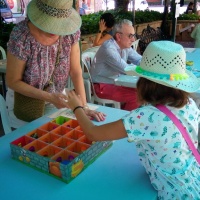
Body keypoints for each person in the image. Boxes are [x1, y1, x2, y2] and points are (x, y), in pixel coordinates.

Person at [66, 40, 200, 199]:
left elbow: (93, 133)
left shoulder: (147, 117)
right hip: (193, 177)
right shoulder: (189, 103)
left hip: (176, 192)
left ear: (144, 83)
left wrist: (77, 107)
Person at [6, 0, 105, 129]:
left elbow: (75, 71)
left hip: (57, 100)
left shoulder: (70, 33)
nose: (56, 31)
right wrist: (49, 97)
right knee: (33, 143)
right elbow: (13, 81)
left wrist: (83, 106)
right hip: (25, 104)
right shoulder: (21, 36)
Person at [90, 19, 142, 111]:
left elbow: (139, 59)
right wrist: (148, 71)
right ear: (118, 36)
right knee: (137, 96)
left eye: (133, 36)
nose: (133, 39)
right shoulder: (109, 49)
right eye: (130, 36)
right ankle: (124, 121)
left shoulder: (125, 46)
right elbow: (127, 69)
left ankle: (124, 113)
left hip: (116, 81)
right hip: (101, 85)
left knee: (142, 91)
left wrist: (151, 65)